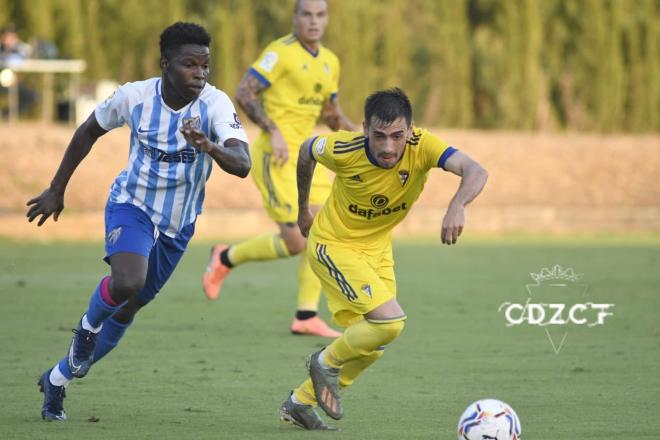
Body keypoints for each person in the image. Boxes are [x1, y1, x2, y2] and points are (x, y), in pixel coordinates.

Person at [27, 22, 250, 421]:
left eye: (205, 65)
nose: (200, 73)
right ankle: (85, 329)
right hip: (132, 206)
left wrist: (209, 145)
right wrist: (57, 188)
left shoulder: (215, 105)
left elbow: (243, 164)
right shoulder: (135, 97)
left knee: (129, 308)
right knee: (128, 280)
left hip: (178, 226)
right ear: (165, 64)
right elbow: (87, 131)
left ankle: (57, 379)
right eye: (190, 64)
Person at [278, 88, 489, 430]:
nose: (388, 146)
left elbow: (476, 170)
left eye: (396, 136)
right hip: (333, 244)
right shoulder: (344, 148)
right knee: (389, 322)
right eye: (379, 136)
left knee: (373, 344)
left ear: (410, 130)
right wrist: (303, 207)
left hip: (377, 250)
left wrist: (457, 204)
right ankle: (322, 361)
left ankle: (300, 402)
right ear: (364, 129)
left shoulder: (424, 146)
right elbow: (306, 151)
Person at [202, 0, 356, 338]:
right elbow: (244, 92)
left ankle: (305, 315)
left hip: (308, 158)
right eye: (307, 15)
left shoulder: (330, 62)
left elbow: (330, 114)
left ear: (327, 19)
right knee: (296, 242)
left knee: (322, 230)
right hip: (277, 157)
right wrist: (272, 130)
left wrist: (361, 136)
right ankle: (225, 257)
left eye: (320, 15)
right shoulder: (280, 52)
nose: (314, 22)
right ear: (295, 18)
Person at [0, 24, 37, 116]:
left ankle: (6, 114)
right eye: (6, 36)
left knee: (32, 96)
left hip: (17, 81)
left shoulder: (22, 48)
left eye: (10, 36)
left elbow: (30, 61)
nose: (7, 39)